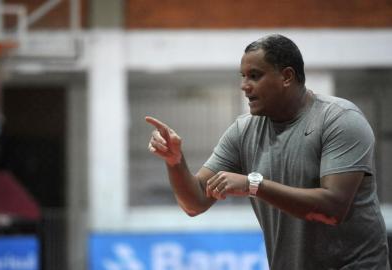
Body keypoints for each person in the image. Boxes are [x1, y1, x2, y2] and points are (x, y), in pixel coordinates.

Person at [146, 34, 390, 270]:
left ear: (286, 76)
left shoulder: (339, 119)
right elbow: (195, 203)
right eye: (243, 76)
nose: (244, 86)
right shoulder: (243, 131)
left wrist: (253, 185)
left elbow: (332, 209)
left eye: (255, 76)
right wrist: (175, 161)